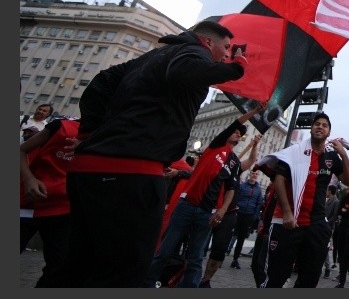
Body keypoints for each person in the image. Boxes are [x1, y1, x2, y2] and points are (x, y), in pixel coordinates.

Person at [55, 20, 246, 287]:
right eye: (226, 48)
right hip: (131, 175)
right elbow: (186, 70)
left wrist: (90, 135)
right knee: (124, 272)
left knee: (78, 265)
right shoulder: (193, 53)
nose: (227, 53)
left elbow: (102, 81)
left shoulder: (154, 56)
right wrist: (235, 69)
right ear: (207, 42)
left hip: (88, 170)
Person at [143, 103, 265, 287]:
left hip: (207, 214)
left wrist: (222, 210)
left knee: (196, 257)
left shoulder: (233, 161)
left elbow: (232, 187)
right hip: (186, 206)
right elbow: (235, 123)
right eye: (235, 132)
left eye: (241, 135)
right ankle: (146, 284)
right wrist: (255, 112)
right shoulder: (216, 146)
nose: (238, 135)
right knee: (165, 250)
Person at [253, 112, 349, 288]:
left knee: (309, 279)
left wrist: (344, 155)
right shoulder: (294, 152)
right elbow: (279, 179)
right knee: (276, 277)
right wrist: (286, 212)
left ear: (329, 132)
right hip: (287, 223)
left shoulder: (331, 157)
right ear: (311, 128)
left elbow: (348, 181)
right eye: (317, 124)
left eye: (324, 125)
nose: (320, 127)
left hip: (315, 224)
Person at [19, 116, 79, 287]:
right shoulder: (62, 126)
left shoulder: (108, 139)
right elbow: (21, 150)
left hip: (64, 212)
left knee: (59, 269)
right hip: (28, 205)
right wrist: (29, 178)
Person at [198, 134, 263, 288]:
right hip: (207, 209)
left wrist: (254, 146)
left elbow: (251, 161)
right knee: (198, 247)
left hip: (228, 213)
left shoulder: (235, 165)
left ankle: (206, 280)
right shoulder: (213, 159)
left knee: (219, 251)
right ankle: (189, 276)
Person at [229, 170, 264, 269]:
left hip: (249, 216)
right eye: (253, 173)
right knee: (231, 234)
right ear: (250, 174)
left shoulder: (258, 190)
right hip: (238, 213)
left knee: (241, 239)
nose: (254, 175)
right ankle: (222, 255)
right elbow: (236, 198)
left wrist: (254, 216)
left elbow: (259, 204)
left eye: (256, 174)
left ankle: (235, 259)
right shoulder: (242, 186)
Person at [323, 184, 341, 279]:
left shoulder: (336, 201)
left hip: (328, 227)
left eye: (327, 190)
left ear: (330, 191)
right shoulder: (326, 200)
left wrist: (327, 223)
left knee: (325, 246)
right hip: (322, 225)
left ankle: (327, 268)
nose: (326, 192)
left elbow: (334, 216)